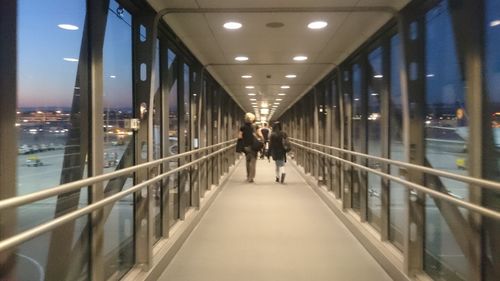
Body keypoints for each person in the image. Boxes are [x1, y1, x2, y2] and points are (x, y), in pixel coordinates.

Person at [238, 112, 262, 183]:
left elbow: (240, 136)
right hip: (254, 147)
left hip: (246, 147)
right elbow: (260, 135)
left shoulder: (242, 127)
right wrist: (261, 139)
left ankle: (248, 175)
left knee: (248, 161)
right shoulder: (255, 127)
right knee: (253, 162)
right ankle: (251, 177)